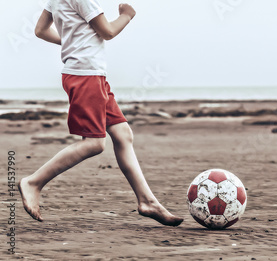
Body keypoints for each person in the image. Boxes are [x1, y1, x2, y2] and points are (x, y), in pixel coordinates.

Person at [18, 0, 183, 227]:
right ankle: (33, 182)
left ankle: (147, 202)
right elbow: (108, 31)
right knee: (94, 143)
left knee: (123, 134)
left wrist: (71, 42)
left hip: (90, 75)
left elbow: (40, 30)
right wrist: (127, 15)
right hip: (86, 75)